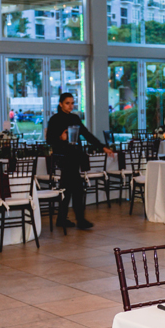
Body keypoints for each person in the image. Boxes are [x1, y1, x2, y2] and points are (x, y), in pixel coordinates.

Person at [46, 93, 113, 230]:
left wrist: (102, 146)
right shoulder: (55, 119)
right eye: (67, 103)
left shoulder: (75, 118)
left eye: (72, 103)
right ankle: (79, 220)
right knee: (76, 189)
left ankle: (62, 219)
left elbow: (86, 134)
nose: (70, 106)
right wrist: (61, 138)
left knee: (69, 189)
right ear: (60, 104)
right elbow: (49, 140)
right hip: (64, 158)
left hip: (75, 157)